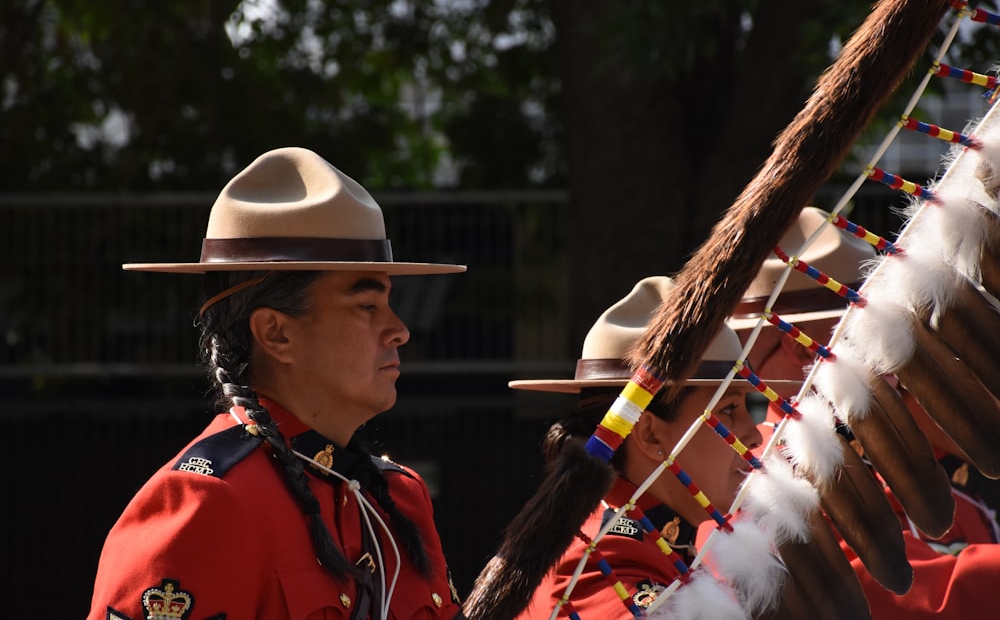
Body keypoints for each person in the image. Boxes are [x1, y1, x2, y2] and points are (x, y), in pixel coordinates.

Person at [88, 147, 465, 620]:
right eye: (367, 306)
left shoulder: (399, 499)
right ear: (276, 333)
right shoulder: (206, 502)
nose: (399, 330)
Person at [730, 205, 1000, 618]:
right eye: (871, 331)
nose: (896, 352)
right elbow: (917, 599)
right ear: (802, 344)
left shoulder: (899, 454)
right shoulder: (773, 485)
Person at [506, 275, 800, 618]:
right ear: (650, 436)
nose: (752, 435)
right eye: (729, 410)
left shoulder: (655, 544)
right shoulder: (602, 563)